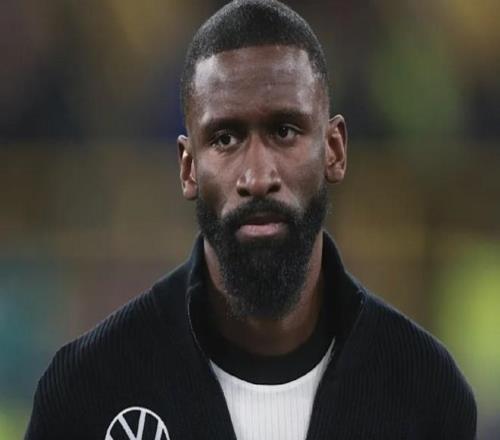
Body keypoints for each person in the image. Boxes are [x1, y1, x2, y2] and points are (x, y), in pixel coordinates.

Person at [25, 1, 477, 439]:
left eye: (284, 131)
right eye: (225, 138)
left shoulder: (426, 390)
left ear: (334, 150)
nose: (258, 177)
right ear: (188, 168)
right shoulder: (86, 393)